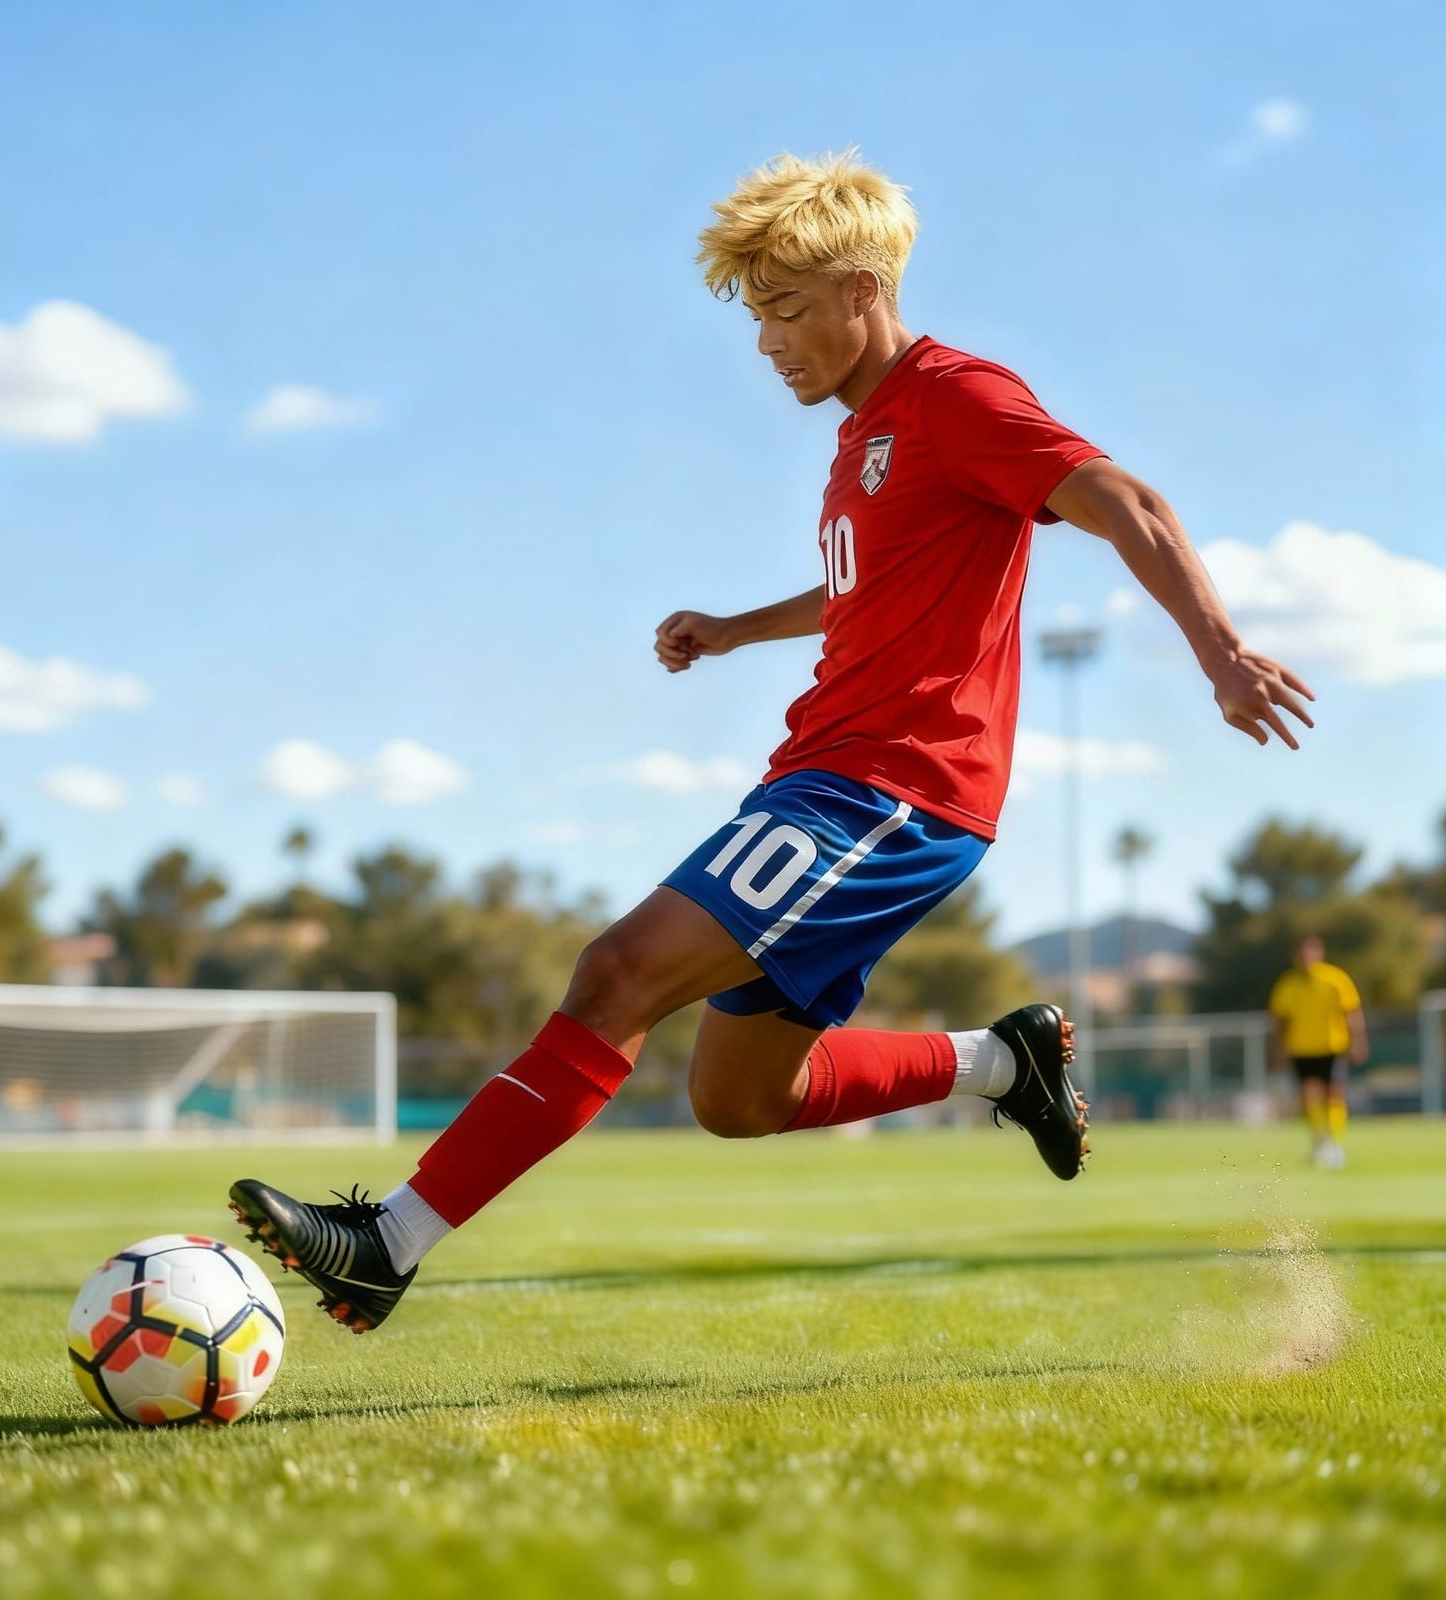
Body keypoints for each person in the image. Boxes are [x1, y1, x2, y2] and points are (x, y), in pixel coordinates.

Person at [228, 151, 1315, 1334]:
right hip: (829, 778)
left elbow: (1125, 500)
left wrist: (1217, 650)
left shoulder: (958, 396)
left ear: (861, 288)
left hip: (892, 788)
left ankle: (388, 1239)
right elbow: (872, 581)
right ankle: (1004, 1063)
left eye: (786, 310)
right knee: (738, 1098)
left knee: (616, 975)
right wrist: (739, 627)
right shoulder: (862, 439)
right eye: (756, 317)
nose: (766, 343)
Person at [1268, 936, 1367, 1168]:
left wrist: (1358, 1040)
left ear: (1319, 953)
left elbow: (1351, 1012)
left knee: (1334, 1093)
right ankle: (1319, 1139)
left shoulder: (1335, 979)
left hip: (1332, 1047)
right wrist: (1278, 1051)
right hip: (1301, 1048)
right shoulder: (1287, 984)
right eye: (1301, 953)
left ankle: (1335, 1142)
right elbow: (1281, 1020)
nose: (1306, 958)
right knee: (1308, 1097)